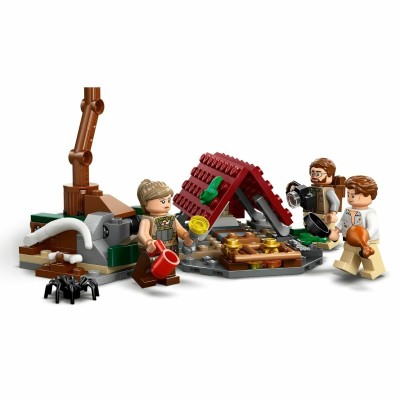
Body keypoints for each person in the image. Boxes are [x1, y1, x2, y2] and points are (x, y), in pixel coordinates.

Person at [132, 179, 193, 288]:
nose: (167, 204)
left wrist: (186, 236)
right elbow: (142, 234)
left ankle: (168, 275)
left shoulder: (171, 218)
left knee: (170, 264)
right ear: (146, 203)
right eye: (162, 201)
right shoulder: (147, 219)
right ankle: (145, 276)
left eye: (168, 200)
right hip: (153, 249)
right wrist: (149, 242)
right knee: (149, 263)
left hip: (169, 248)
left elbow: (180, 230)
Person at [329, 175, 385, 280]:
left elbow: (373, 227)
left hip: (366, 242)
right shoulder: (348, 210)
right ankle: (348, 264)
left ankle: (375, 269)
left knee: (367, 256)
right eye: (348, 195)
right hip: (350, 240)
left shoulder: (369, 213)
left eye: (353, 195)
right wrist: (336, 231)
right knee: (349, 250)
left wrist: (364, 239)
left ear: (369, 196)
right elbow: (343, 221)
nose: (350, 198)